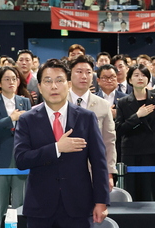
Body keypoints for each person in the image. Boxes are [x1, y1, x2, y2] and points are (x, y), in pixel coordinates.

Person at [14, 58, 110, 227]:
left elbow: (99, 162)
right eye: (48, 81)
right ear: (40, 87)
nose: (54, 86)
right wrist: (57, 148)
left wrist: (101, 201)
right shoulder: (27, 119)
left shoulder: (86, 118)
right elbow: (21, 160)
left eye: (59, 80)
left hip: (78, 206)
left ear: (69, 84)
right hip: (40, 207)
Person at [0, 66, 30, 226]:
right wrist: (11, 118)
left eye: (14, 79)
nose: (12, 82)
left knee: (20, 202)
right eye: (7, 79)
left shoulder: (25, 101)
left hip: (21, 157)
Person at [115, 64, 155, 201]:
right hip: (131, 153)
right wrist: (137, 116)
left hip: (151, 152)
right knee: (131, 193)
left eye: (143, 75)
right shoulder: (123, 102)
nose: (140, 78)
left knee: (150, 194)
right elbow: (119, 130)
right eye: (136, 75)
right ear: (130, 80)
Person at [67, 55, 117, 192]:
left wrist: (109, 172)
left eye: (88, 72)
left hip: (93, 169)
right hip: (63, 169)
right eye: (79, 71)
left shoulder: (103, 105)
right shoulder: (59, 102)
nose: (84, 76)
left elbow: (109, 141)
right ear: (70, 74)